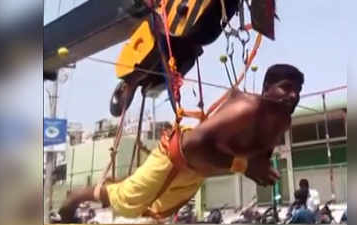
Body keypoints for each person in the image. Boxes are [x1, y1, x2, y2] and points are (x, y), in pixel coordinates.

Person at [59, 64, 304, 222]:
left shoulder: (282, 122)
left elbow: (258, 157)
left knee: (156, 214)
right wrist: (246, 167)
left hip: (198, 171)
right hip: (175, 156)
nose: (293, 96)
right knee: (127, 203)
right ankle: (76, 198)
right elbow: (195, 145)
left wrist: (259, 170)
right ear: (266, 88)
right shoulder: (246, 108)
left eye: (298, 91)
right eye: (286, 88)